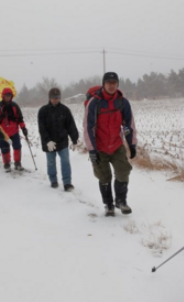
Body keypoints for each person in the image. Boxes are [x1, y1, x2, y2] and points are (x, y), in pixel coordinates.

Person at [83, 72, 137, 217]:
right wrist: (92, 150)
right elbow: (88, 128)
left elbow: (128, 125)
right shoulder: (95, 103)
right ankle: (108, 205)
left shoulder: (122, 102)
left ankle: (121, 200)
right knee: (104, 177)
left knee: (123, 171)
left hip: (116, 145)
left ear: (117, 84)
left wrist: (131, 144)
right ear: (103, 84)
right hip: (99, 147)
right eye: (109, 82)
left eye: (114, 82)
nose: (112, 85)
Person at [38, 88, 79, 191]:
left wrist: (74, 139)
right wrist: (47, 141)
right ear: (50, 98)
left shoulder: (65, 110)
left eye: (57, 98)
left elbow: (71, 125)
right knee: (51, 162)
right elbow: (41, 128)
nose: (55, 100)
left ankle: (67, 183)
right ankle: (53, 180)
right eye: (53, 98)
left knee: (65, 161)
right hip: (49, 143)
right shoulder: (43, 111)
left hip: (62, 141)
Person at [0, 88, 28, 172]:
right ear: (3, 96)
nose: (8, 97)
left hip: (14, 131)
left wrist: (23, 128)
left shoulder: (15, 106)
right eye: (6, 96)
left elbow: (20, 118)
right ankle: (7, 163)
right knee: (5, 149)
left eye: (9, 96)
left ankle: (17, 163)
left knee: (17, 147)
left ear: (11, 96)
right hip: (2, 133)